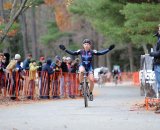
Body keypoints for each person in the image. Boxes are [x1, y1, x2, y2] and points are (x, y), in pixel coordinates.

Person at [150, 24, 160, 98]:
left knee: (159, 82)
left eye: (159, 29)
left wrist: (152, 53)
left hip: (158, 64)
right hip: (157, 63)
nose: (158, 31)